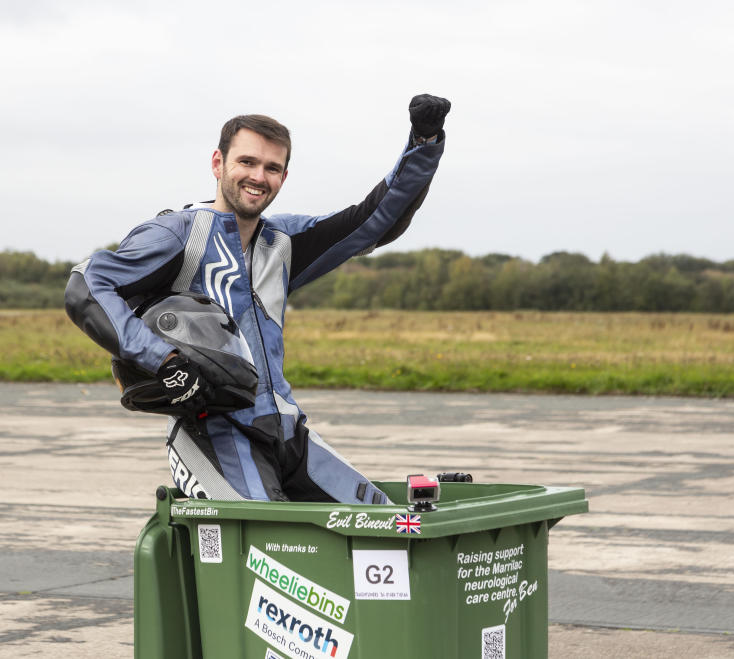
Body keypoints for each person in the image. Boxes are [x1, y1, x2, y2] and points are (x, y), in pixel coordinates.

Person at [65, 94, 450, 503]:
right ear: (218, 164)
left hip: (287, 432)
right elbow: (86, 286)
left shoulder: (282, 242)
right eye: (246, 162)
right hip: (213, 433)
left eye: (272, 167)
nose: (258, 176)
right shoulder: (178, 234)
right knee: (272, 543)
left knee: (390, 525)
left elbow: (373, 222)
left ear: (284, 176)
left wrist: (423, 142)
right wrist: (163, 361)